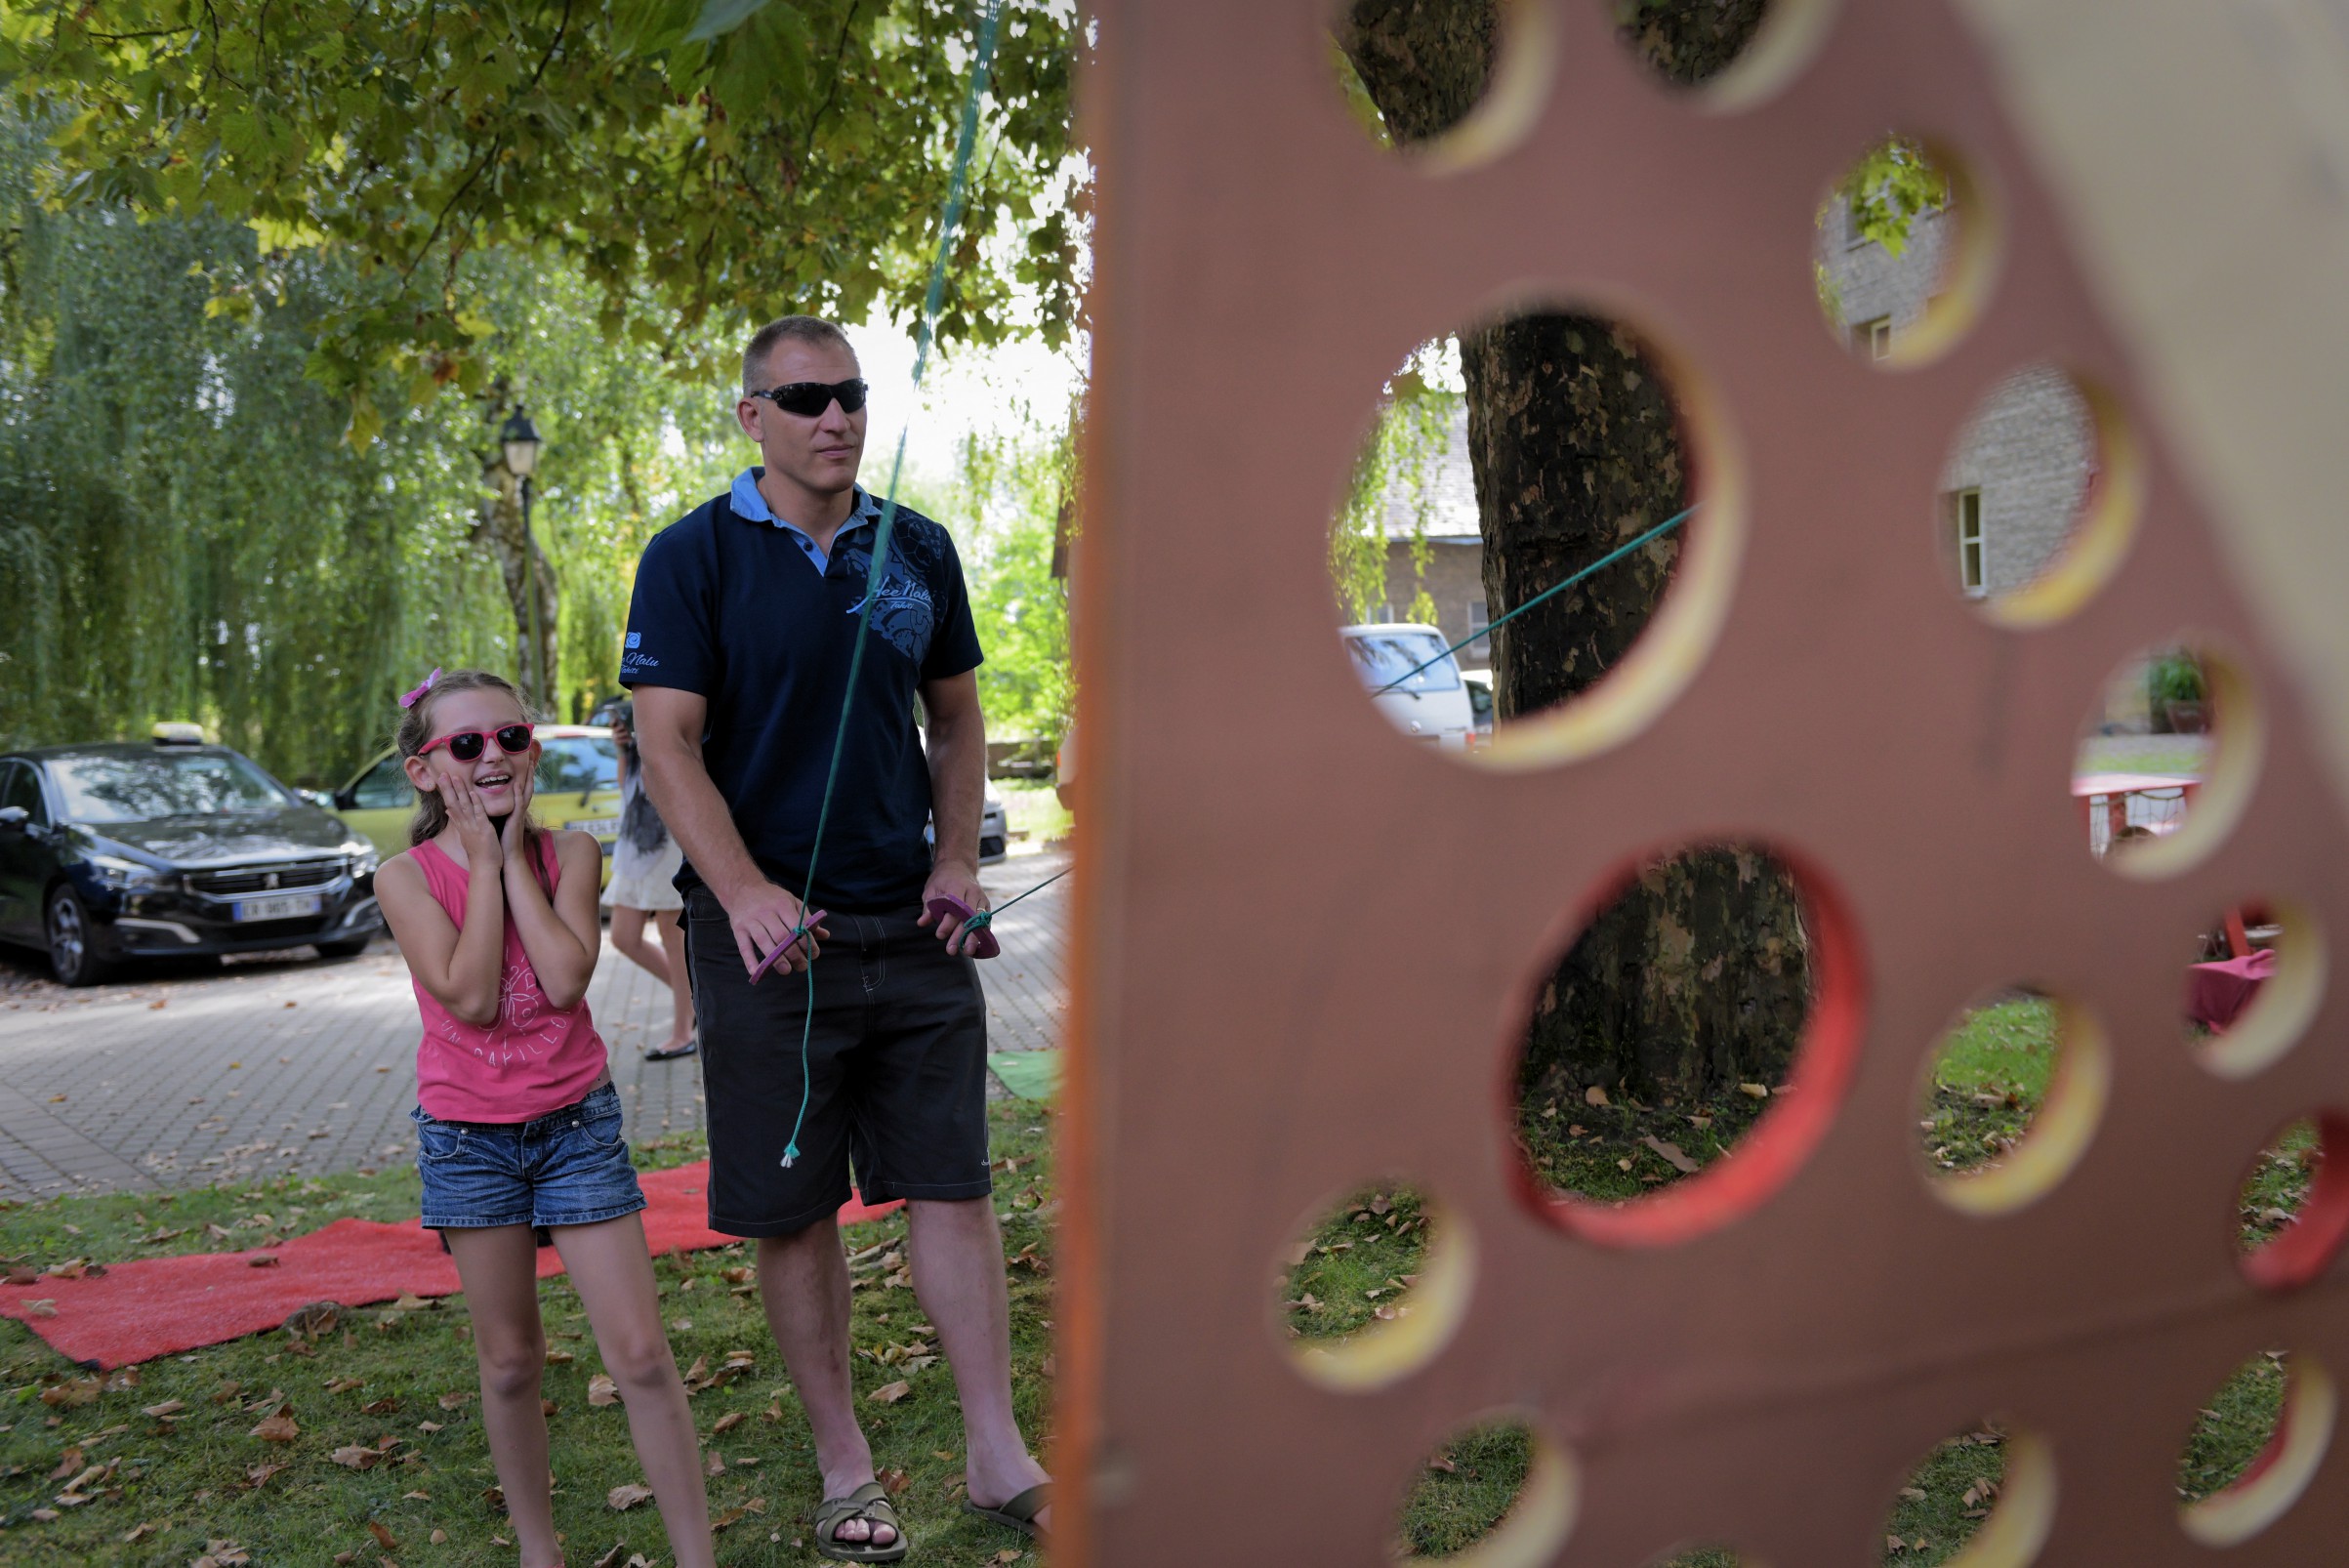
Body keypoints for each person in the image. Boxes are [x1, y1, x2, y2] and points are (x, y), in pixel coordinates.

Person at [623, 314, 1050, 1560]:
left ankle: (993, 1453)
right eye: (805, 397)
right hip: (768, 945)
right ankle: (846, 1464)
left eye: (851, 394)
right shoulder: (691, 557)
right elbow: (668, 745)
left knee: (955, 1190)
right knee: (795, 1211)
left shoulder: (914, 546)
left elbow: (958, 720)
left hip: (914, 928)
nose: (836, 417)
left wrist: (958, 859)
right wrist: (745, 891)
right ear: (751, 416)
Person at [372, 668, 717, 1568]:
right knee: (513, 1362)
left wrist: (513, 856)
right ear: (422, 769)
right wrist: (484, 862)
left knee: (640, 1353)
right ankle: (539, 1553)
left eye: (511, 737)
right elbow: (473, 998)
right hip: (467, 1143)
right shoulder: (403, 878)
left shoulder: (573, 854)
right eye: (466, 744)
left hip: (575, 1130)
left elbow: (565, 980)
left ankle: (697, 1558)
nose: (494, 755)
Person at [602, 700, 698, 1059]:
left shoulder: (668, 730)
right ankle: (694, 1004)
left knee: (674, 943)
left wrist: (646, 738)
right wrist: (623, 746)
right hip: (635, 845)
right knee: (624, 936)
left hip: (668, 842)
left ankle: (682, 1032)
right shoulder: (631, 747)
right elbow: (627, 789)